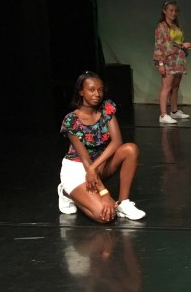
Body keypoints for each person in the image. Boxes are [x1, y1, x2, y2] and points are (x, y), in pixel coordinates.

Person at [58, 71, 146, 222]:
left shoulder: (106, 108)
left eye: (100, 90)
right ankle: (66, 192)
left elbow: (117, 141)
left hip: (97, 165)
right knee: (104, 216)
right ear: (81, 92)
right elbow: (86, 161)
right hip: (77, 168)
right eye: (91, 90)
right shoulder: (71, 120)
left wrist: (94, 168)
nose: (97, 94)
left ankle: (123, 203)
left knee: (130, 149)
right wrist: (104, 193)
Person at [153, 0, 191, 124]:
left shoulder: (177, 26)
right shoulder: (161, 26)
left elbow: (178, 42)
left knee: (175, 87)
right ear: (164, 11)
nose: (173, 13)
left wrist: (185, 46)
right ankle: (163, 114)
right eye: (171, 10)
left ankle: (174, 111)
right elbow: (160, 45)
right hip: (167, 60)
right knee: (166, 87)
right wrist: (160, 63)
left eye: (175, 11)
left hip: (178, 60)